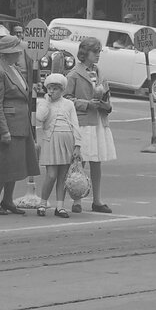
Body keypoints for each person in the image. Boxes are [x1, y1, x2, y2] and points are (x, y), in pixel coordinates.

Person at [0, 33, 38, 215]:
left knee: (15, 165)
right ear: (8, 53)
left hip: (20, 124)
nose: (20, 54)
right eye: (17, 52)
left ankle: (7, 199)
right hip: (9, 125)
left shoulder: (12, 68)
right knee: (4, 165)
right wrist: (3, 130)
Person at [65, 37, 115, 213]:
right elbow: (66, 99)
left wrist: (105, 105)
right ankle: (77, 199)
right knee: (81, 161)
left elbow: (107, 96)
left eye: (99, 52)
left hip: (99, 120)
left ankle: (97, 200)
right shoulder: (73, 75)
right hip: (84, 122)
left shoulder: (100, 73)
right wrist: (86, 104)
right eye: (95, 52)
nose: (98, 55)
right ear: (85, 53)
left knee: (97, 161)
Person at [34, 72, 80, 217]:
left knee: (63, 176)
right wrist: (46, 101)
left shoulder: (69, 104)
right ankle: (43, 203)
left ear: (62, 90)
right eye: (50, 88)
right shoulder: (43, 103)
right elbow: (40, 117)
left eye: (56, 89)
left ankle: (60, 206)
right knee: (51, 175)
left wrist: (77, 145)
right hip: (51, 140)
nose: (52, 91)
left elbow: (75, 125)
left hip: (67, 140)